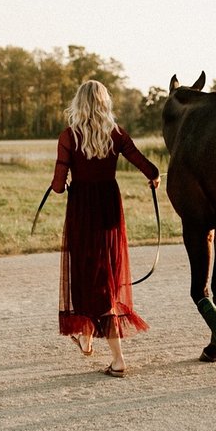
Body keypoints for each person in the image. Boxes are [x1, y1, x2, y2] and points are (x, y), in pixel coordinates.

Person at [52, 80, 160, 377]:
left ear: (79, 104)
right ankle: (86, 340)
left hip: (83, 212)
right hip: (110, 211)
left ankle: (118, 360)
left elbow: (59, 187)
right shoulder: (116, 134)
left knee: (91, 276)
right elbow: (147, 166)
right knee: (103, 274)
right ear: (104, 103)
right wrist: (154, 177)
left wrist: (62, 182)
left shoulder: (68, 137)